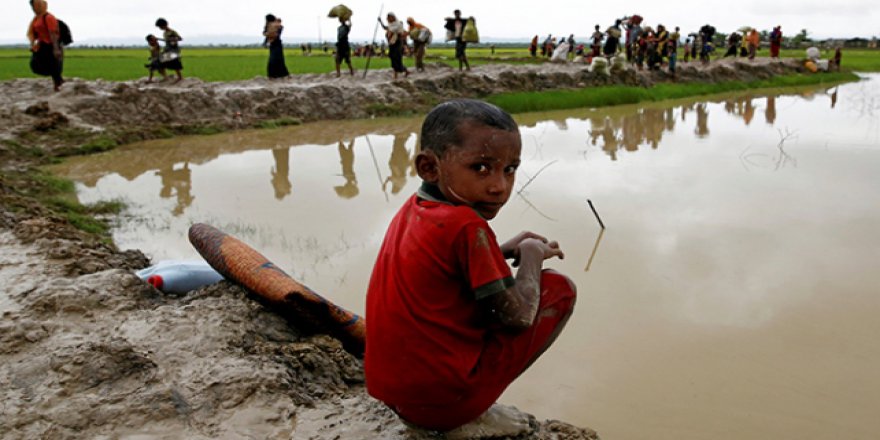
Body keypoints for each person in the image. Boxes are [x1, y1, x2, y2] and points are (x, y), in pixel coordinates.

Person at [365, 99, 576, 431]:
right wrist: (532, 255)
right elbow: (519, 318)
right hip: (441, 407)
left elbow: (442, 268)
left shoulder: (415, 209)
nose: (499, 186)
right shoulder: (466, 225)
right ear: (429, 168)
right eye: (480, 168)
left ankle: (465, 398)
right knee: (560, 289)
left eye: (510, 169)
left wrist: (499, 250)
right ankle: (475, 406)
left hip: (391, 393)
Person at [26, 0, 64, 92]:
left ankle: (58, 84)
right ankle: (59, 81)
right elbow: (33, 32)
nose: (34, 8)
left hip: (51, 45)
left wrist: (56, 48)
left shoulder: (48, 17)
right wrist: (33, 44)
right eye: (33, 6)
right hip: (42, 45)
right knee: (35, 65)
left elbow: (53, 33)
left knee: (54, 65)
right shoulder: (36, 19)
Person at [378, 12, 409, 79]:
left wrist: (405, 47)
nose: (387, 19)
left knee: (397, 59)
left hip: (397, 44)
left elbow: (395, 32)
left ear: (392, 17)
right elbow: (385, 28)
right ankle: (397, 74)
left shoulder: (398, 25)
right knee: (393, 58)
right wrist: (380, 22)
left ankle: (403, 72)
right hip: (392, 44)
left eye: (388, 18)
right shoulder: (391, 25)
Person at [155, 18, 183, 82]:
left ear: (165, 25)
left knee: (175, 62)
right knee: (157, 61)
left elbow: (180, 38)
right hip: (167, 49)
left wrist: (173, 39)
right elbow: (166, 41)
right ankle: (165, 77)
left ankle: (180, 77)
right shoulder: (164, 33)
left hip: (174, 50)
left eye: (160, 26)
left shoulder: (172, 32)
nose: (160, 28)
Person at [263, 14, 289, 79]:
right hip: (275, 44)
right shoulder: (272, 25)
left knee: (274, 60)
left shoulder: (273, 25)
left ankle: (274, 75)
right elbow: (269, 34)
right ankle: (281, 75)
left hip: (275, 44)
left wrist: (266, 36)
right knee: (278, 60)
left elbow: (271, 34)